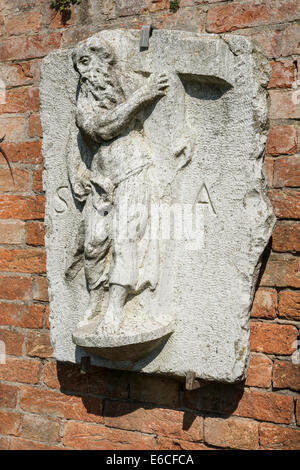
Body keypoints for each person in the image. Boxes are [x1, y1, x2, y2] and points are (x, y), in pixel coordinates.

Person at [66, 36, 169, 333]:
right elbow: (99, 127)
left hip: (133, 168)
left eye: (85, 63)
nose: (83, 72)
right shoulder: (85, 97)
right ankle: (96, 299)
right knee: (94, 242)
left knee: (126, 238)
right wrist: (141, 98)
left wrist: (181, 135)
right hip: (102, 177)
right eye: (77, 67)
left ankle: (115, 309)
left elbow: (169, 89)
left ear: (103, 59)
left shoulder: (128, 79)